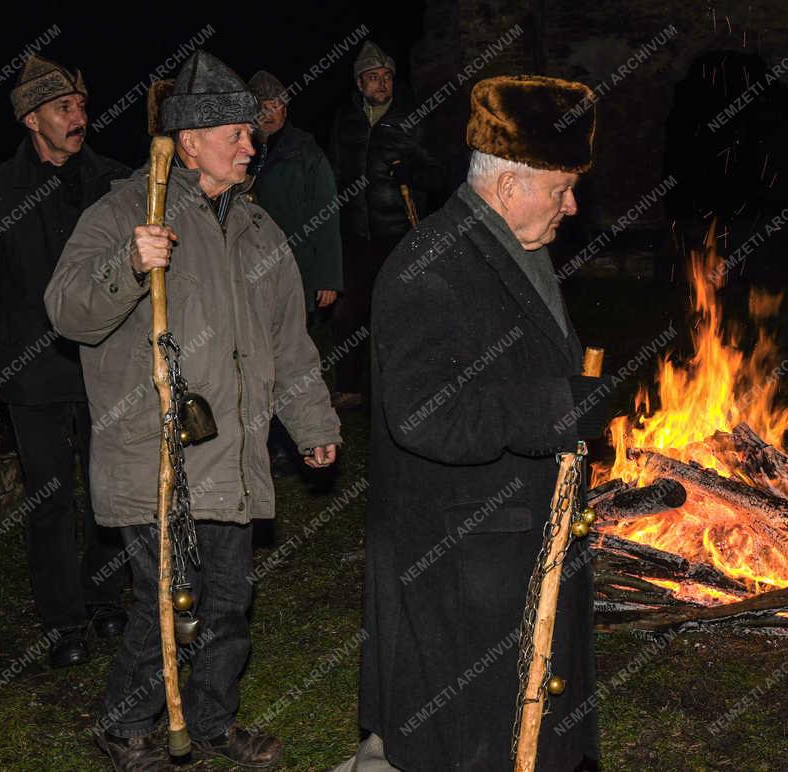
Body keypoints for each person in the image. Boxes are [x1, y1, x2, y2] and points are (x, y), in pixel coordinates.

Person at [44, 50, 341, 770]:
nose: (251, 145)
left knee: (230, 600)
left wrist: (314, 424)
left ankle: (211, 723)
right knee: (169, 603)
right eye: (237, 134)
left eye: (251, 134)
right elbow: (67, 311)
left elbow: (288, 345)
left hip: (232, 454)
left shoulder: (261, 232)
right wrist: (129, 267)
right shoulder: (125, 210)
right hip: (155, 454)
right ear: (190, 143)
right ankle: (125, 725)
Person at [343, 75, 608, 771]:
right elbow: (424, 415)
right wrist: (558, 407)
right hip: (462, 564)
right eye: (561, 189)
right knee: (471, 742)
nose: (573, 206)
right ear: (510, 183)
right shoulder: (430, 266)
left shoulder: (519, 250)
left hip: (515, 546)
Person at [0, 53, 130, 669]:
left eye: (79, 105)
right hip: (34, 368)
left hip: (107, 362)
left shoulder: (115, 182)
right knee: (50, 493)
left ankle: (104, 596)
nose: (79, 116)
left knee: (109, 487)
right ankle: (63, 620)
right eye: (62, 108)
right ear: (31, 119)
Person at [328, 41, 441, 410]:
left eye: (387, 77)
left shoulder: (413, 117)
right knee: (348, 314)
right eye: (373, 78)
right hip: (357, 236)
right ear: (359, 84)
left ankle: (402, 388)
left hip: (399, 235)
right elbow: (336, 172)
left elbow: (440, 174)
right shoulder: (346, 120)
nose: (382, 84)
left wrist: (414, 171)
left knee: (399, 314)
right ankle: (349, 386)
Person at [248, 69, 342, 478]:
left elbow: (326, 217)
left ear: (285, 107)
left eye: (274, 105)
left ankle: (291, 442)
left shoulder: (306, 153)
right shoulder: (244, 153)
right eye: (260, 107)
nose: (267, 114)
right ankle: (260, 445)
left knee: (289, 360)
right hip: (250, 276)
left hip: (296, 271)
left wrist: (327, 277)